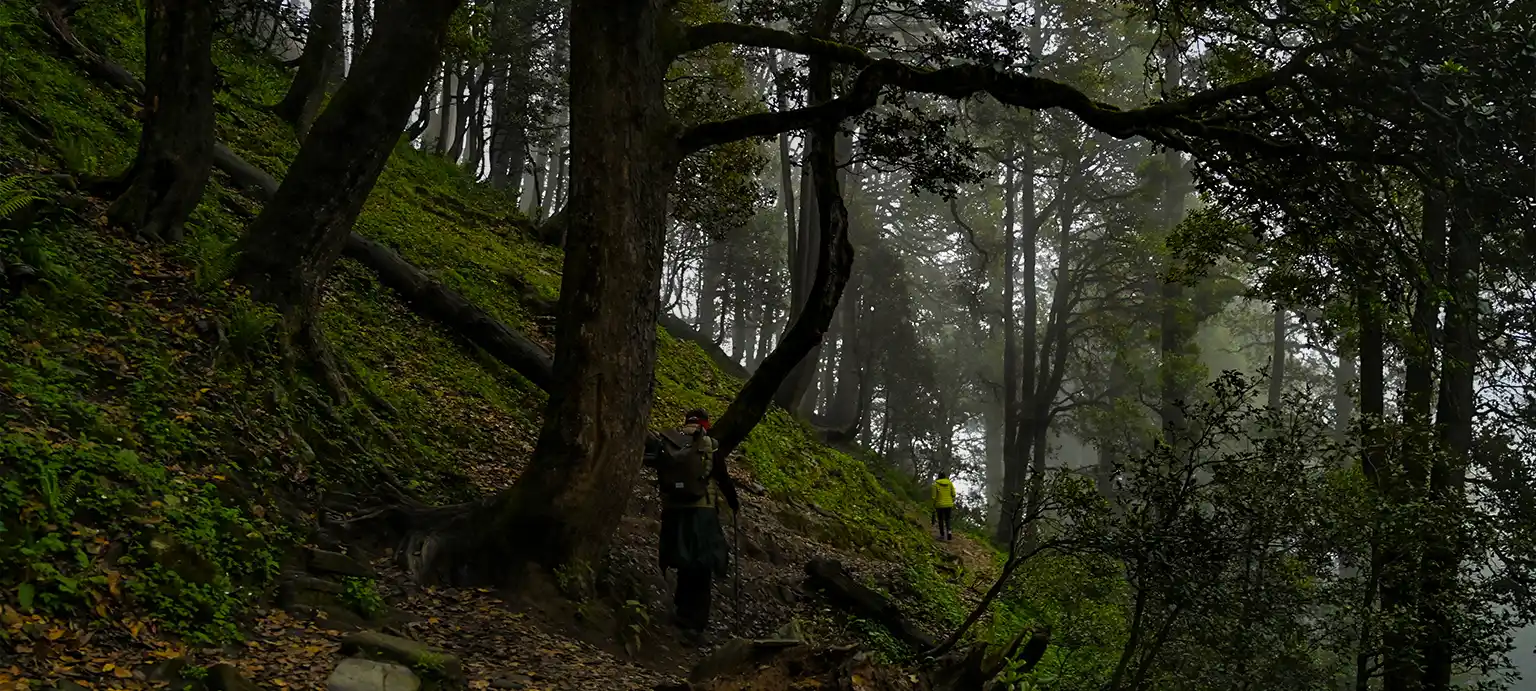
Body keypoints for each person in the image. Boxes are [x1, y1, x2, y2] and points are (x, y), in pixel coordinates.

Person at [642, 408, 740, 644]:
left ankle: (681, 612)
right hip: (701, 513)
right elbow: (722, 477)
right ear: (705, 424)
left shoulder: (671, 441)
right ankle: (696, 625)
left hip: (675, 512)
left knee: (684, 561)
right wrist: (734, 502)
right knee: (702, 565)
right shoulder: (708, 444)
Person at [931, 472, 956, 541]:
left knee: (940, 519)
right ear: (945, 477)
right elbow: (953, 494)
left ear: (938, 477)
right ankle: (949, 533)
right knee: (948, 519)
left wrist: (933, 504)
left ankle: (942, 535)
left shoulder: (935, 484)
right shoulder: (950, 483)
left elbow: (934, 497)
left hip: (939, 505)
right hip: (948, 504)